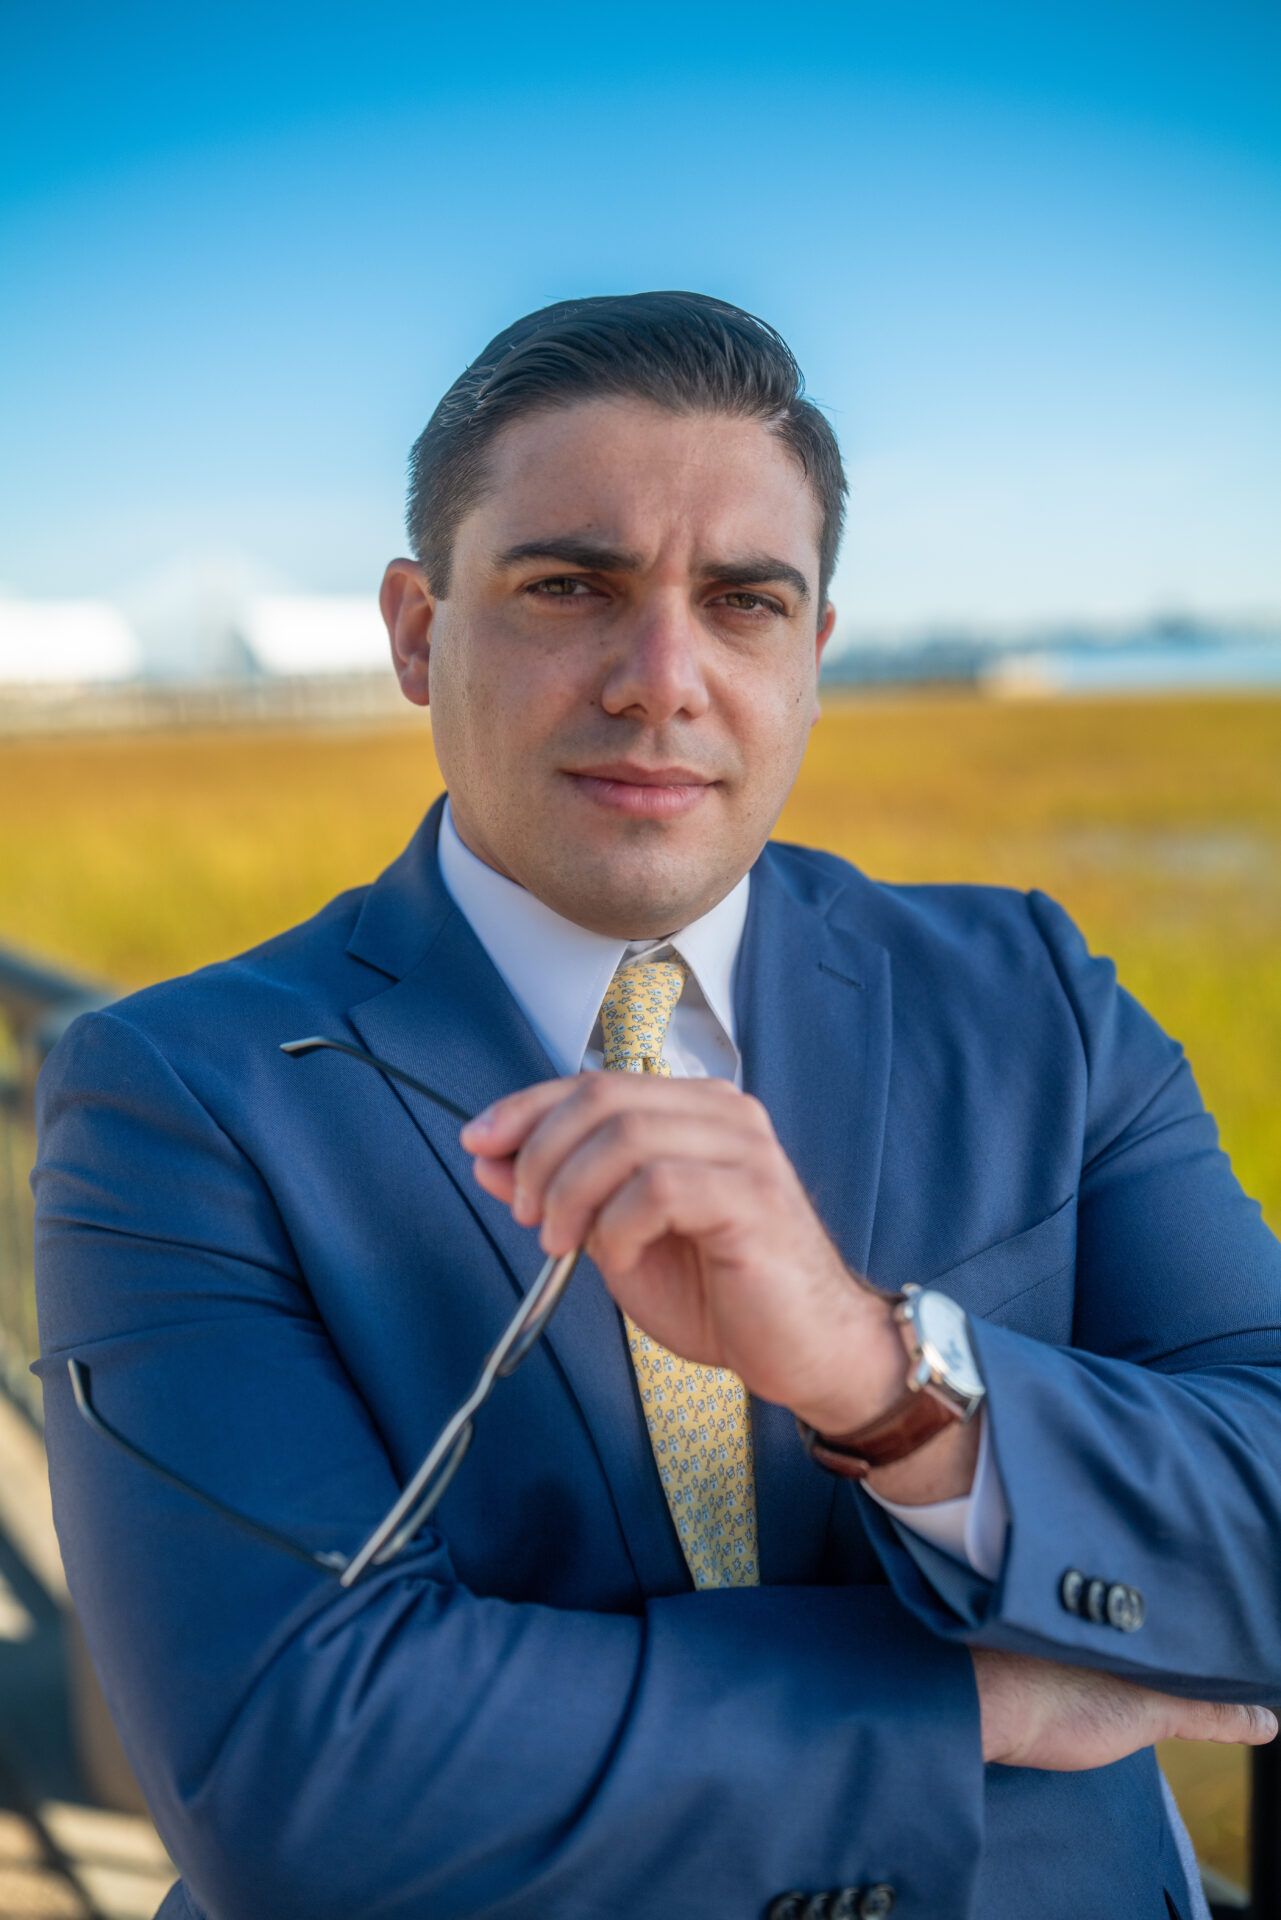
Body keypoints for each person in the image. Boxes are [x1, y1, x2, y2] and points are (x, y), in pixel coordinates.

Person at [31, 291, 1281, 1920]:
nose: (661, 681)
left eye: (744, 601)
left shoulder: (1028, 990)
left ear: (812, 651)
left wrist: (881, 1378)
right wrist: (975, 1703)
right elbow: (294, 1773)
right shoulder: (177, 1092)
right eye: (571, 587)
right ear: (419, 632)